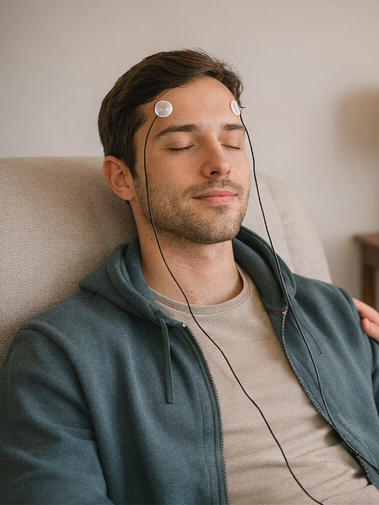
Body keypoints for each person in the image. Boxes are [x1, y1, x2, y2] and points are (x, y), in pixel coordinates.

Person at [1, 49, 379, 505]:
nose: (220, 163)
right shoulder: (62, 352)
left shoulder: (331, 311)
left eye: (234, 140)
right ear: (122, 179)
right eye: (181, 144)